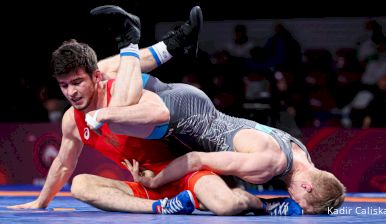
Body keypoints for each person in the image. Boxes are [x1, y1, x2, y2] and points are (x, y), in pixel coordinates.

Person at [7, 5, 301, 216]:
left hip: (183, 168)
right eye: (64, 86)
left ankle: (263, 204)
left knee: (228, 206)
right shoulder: (73, 120)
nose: (71, 92)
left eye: (77, 83)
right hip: (147, 185)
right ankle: (162, 208)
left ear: (94, 79)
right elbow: (62, 164)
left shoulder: (128, 92)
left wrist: (106, 115)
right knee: (82, 184)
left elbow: (159, 115)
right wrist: (41, 202)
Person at [86, 6, 346, 215]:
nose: (298, 205)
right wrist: (155, 182)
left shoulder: (303, 154)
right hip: (183, 118)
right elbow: (196, 160)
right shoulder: (270, 164)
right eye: (304, 204)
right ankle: (130, 40)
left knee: (102, 72)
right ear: (307, 186)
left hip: (195, 103)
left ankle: (172, 45)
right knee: (116, 119)